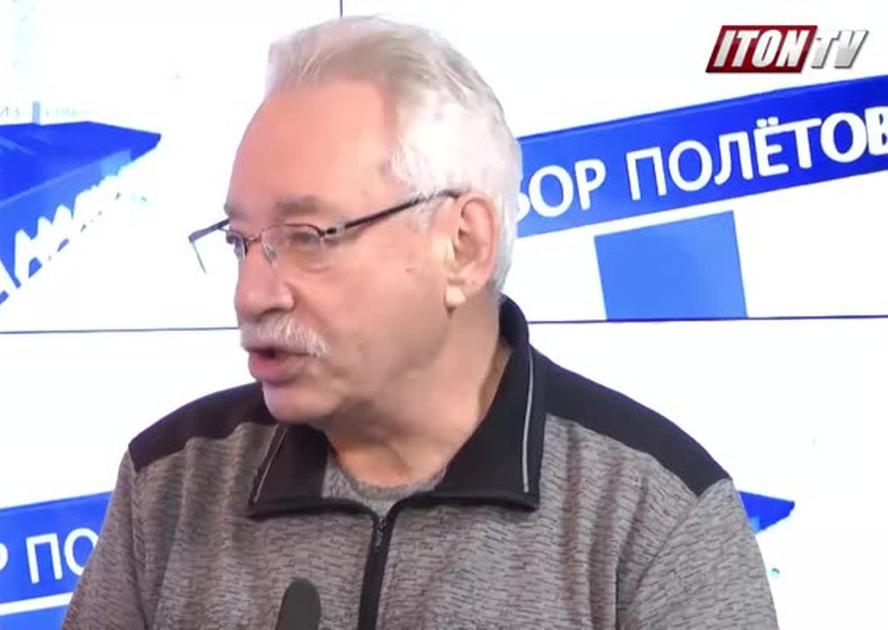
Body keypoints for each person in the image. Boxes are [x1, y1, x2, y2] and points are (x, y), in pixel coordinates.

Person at [63, 15, 778, 629]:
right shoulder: (172, 483)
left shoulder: (650, 517)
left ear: (463, 246)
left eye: (308, 237)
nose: (252, 295)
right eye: (240, 243)